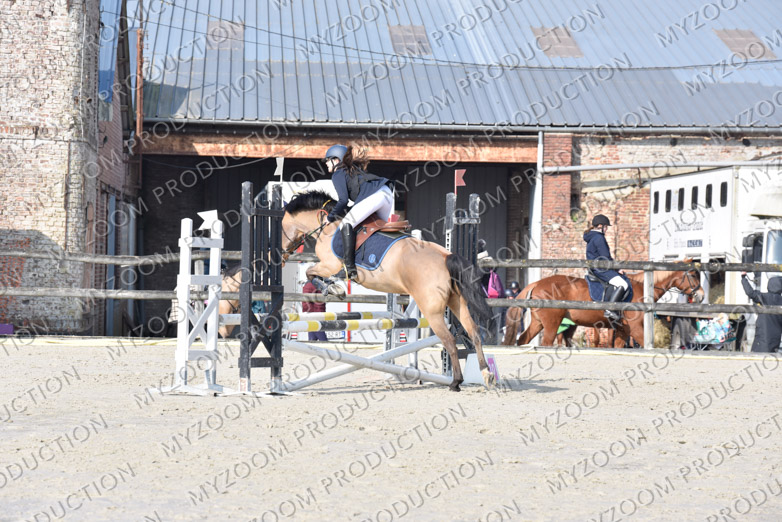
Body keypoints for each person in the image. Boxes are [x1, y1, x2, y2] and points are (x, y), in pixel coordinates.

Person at [323, 144, 394, 280]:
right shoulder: (352, 170)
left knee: (346, 224)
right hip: (387, 193)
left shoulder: (338, 173)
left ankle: (349, 269)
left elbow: (343, 200)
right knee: (377, 229)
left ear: (336, 160)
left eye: (328, 160)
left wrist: (330, 218)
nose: (326, 163)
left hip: (376, 196)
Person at [583, 214, 629, 322]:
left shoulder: (591, 236)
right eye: (606, 226)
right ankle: (610, 309)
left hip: (596, 268)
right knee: (623, 284)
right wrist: (617, 269)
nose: (607, 229)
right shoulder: (599, 238)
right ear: (600, 226)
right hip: (601, 269)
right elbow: (606, 257)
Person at [741, 272, 782, 352]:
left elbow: (750, 292)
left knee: (758, 355)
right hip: (776, 338)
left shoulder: (763, 297)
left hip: (763, 335)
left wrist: (743, 278)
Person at [302, 277, 327, 342]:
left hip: (310, 314)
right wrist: (320, 315)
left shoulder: (308, 285)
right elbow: (319, 303)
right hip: (316, 315)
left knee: (312, 339)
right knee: (323, 339)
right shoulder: (315, 285)